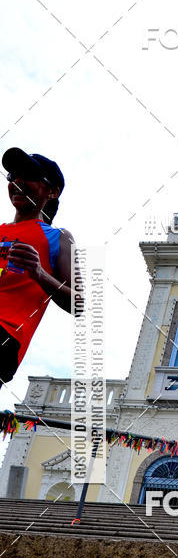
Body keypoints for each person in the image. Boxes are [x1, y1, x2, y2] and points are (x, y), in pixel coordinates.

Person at [0, 147, 76, 386]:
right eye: (13, 176)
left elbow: (80, 302)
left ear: (51, 192)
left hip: (6, 333)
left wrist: (39, 273)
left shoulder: (58, 237)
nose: (18, 181)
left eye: (29, 176)